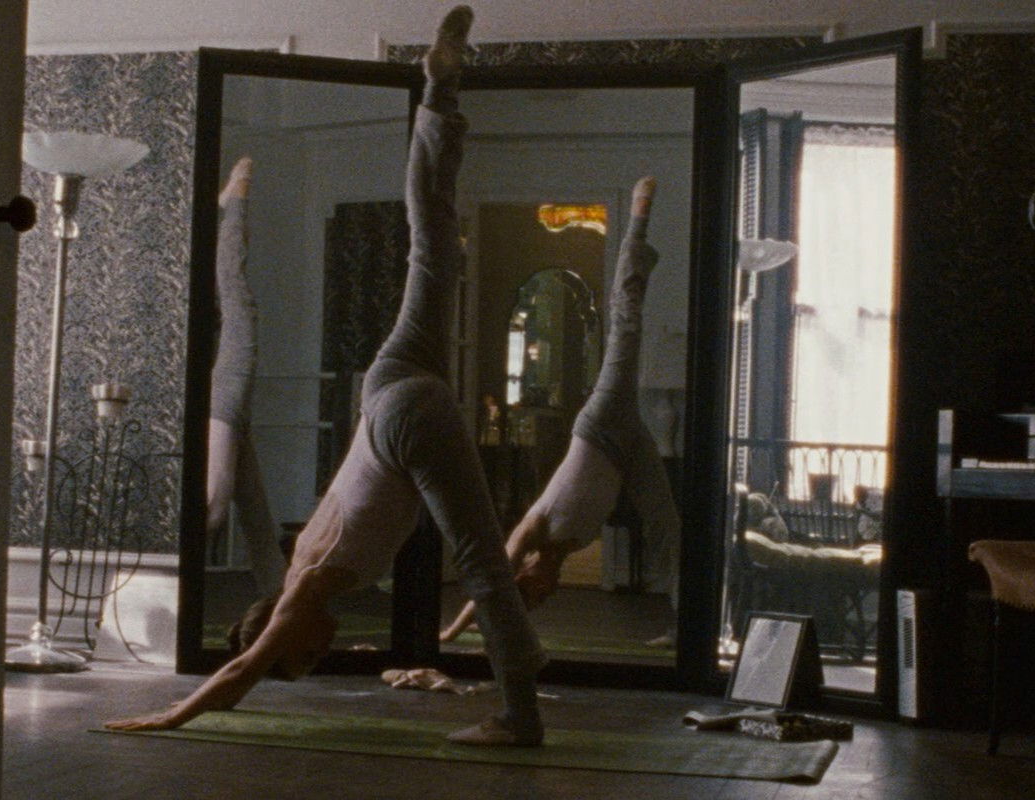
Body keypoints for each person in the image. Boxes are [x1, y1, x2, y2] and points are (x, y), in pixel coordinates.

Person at [106, 6, 547, 747]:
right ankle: (438, 97)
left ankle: (520, 717)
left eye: (307, 652)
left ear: (282, 627)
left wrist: (173, 713)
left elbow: (242, 668)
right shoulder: (298, 557)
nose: (325, 647)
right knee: (433, 247)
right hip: (388, 386)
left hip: (401, 418)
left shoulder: (303, 584)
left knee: (483, 566)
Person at [439, 175, 682, 646]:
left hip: (601, 424)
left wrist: (451, 631)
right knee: (666, 524)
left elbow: (490, 579)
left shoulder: (534, 531)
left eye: (533, 592)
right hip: (627, 447)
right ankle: (685, 624)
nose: (545, 593)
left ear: (524, 572)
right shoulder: (575, 546)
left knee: (626, 326)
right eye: (540, 600)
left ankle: (637, 223)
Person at [207, 155, 288, 598]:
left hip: (221, 385)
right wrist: (237, 203)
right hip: (223, 389)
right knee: (215, 509)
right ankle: (234, 200)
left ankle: (281, 598)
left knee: (254, 510)